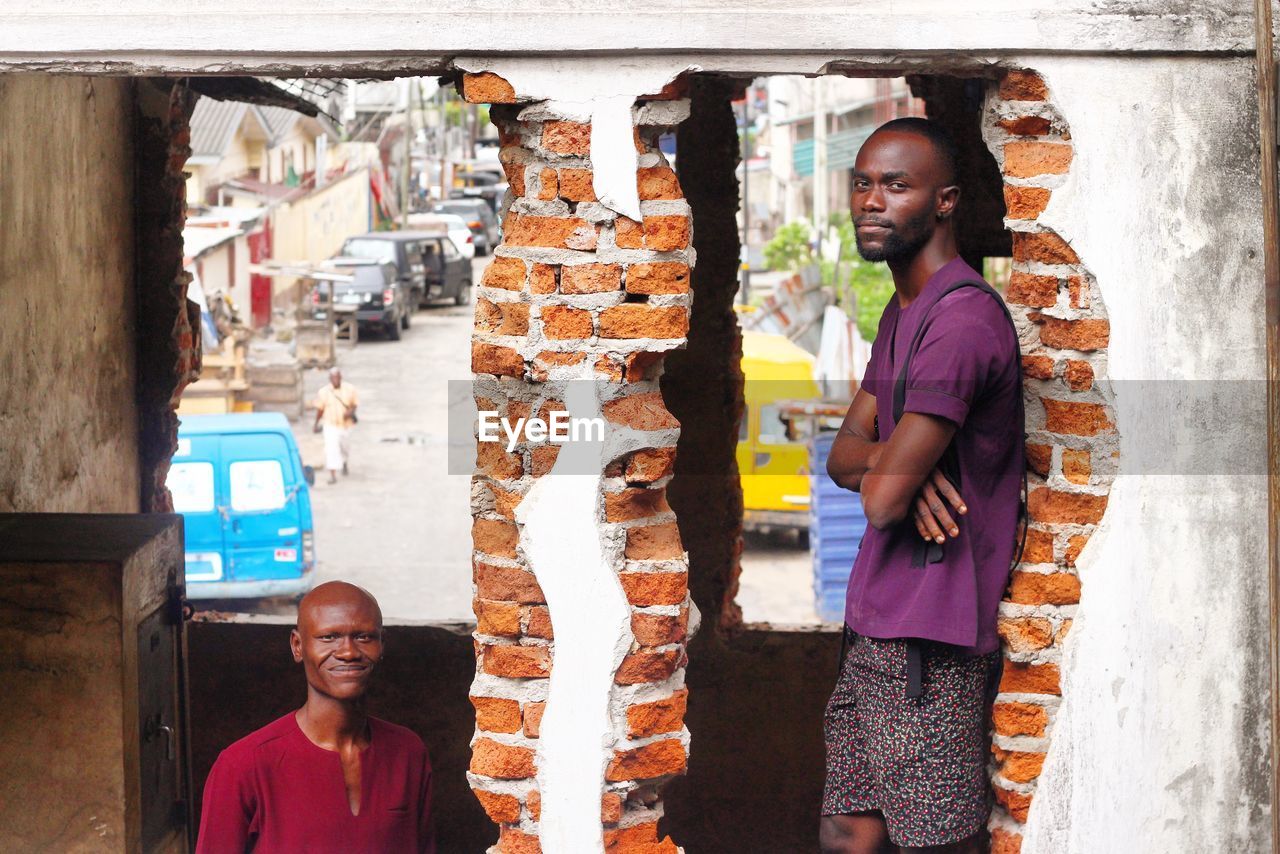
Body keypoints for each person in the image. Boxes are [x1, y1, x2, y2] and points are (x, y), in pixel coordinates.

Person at [820, 118, 1024, 854]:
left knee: (936, 844)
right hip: (876, 622)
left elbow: (874, 498)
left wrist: (891, 475)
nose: (871, 201)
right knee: (849, 833)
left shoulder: (962, 321)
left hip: (927, 641)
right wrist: (899, 465)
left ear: (945, 201)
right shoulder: (901, 313)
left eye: (896, 186)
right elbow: (843, 456)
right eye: (863, 183)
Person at [196, 582, 436, 854]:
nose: (348, 652)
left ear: (382, 645)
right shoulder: (242, 765)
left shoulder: (408, 751)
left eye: (364, 637)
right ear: (297, 646)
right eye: (328, 637)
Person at [314, 367, 358, 484]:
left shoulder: (350, 389)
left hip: (346, 425)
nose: (335, 380)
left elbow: (354, 404)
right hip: (330, 424)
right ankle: (332, 475)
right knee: (331, 449)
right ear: (329, 379)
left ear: (340, 377)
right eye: (333, 378)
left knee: (345, 448)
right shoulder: (323, 392)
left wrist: (350, 412)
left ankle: (344, 462)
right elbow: (320, 410)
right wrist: (316, 423)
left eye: (337, 377)